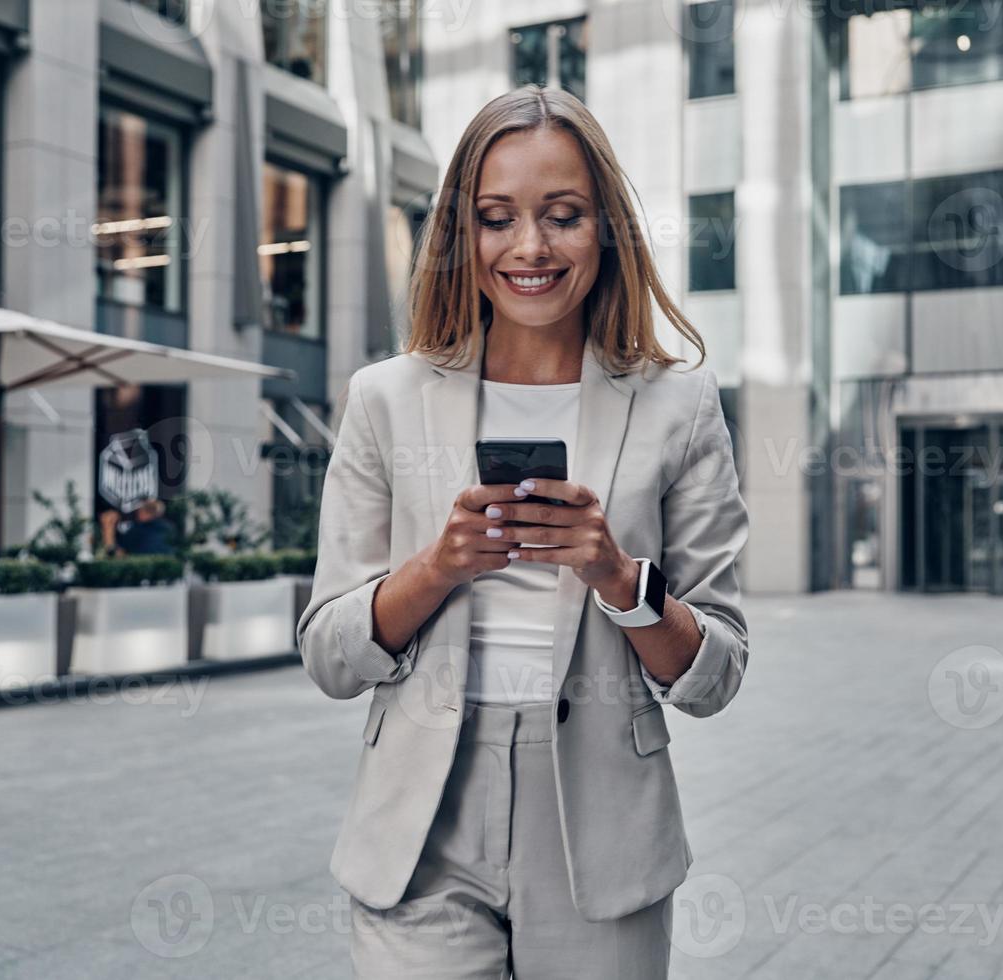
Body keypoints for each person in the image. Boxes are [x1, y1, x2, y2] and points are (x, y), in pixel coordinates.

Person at [296, 86, 751, 978]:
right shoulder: (385, 398)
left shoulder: (679, 405)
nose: (530, 248)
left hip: (601, 827)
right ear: (460, 237)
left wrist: (621, 578)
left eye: (564, 216)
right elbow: (328, 654)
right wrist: (436, 568)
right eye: (497, 218)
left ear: (605, 227)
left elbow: (716, 673)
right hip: (421, 829)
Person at [98, 498, 175, 556]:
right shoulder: (170, 528)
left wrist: (108, 529)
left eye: (137, 512)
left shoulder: (139, 530)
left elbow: (117, 553)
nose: (136, 516)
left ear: (142, 512)